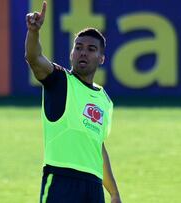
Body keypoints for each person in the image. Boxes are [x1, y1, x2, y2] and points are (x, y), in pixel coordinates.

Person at [25, 1, 121, 203]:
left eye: (91, 49)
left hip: (94, 187)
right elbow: (34, 58)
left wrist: (113, 193)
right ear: (71, 54)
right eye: (78, 47)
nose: (83, 52)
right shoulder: (59, 81)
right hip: (61, 180)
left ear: (101, 58)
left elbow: (98, 147)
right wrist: (34, 32)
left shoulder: (105, 100)